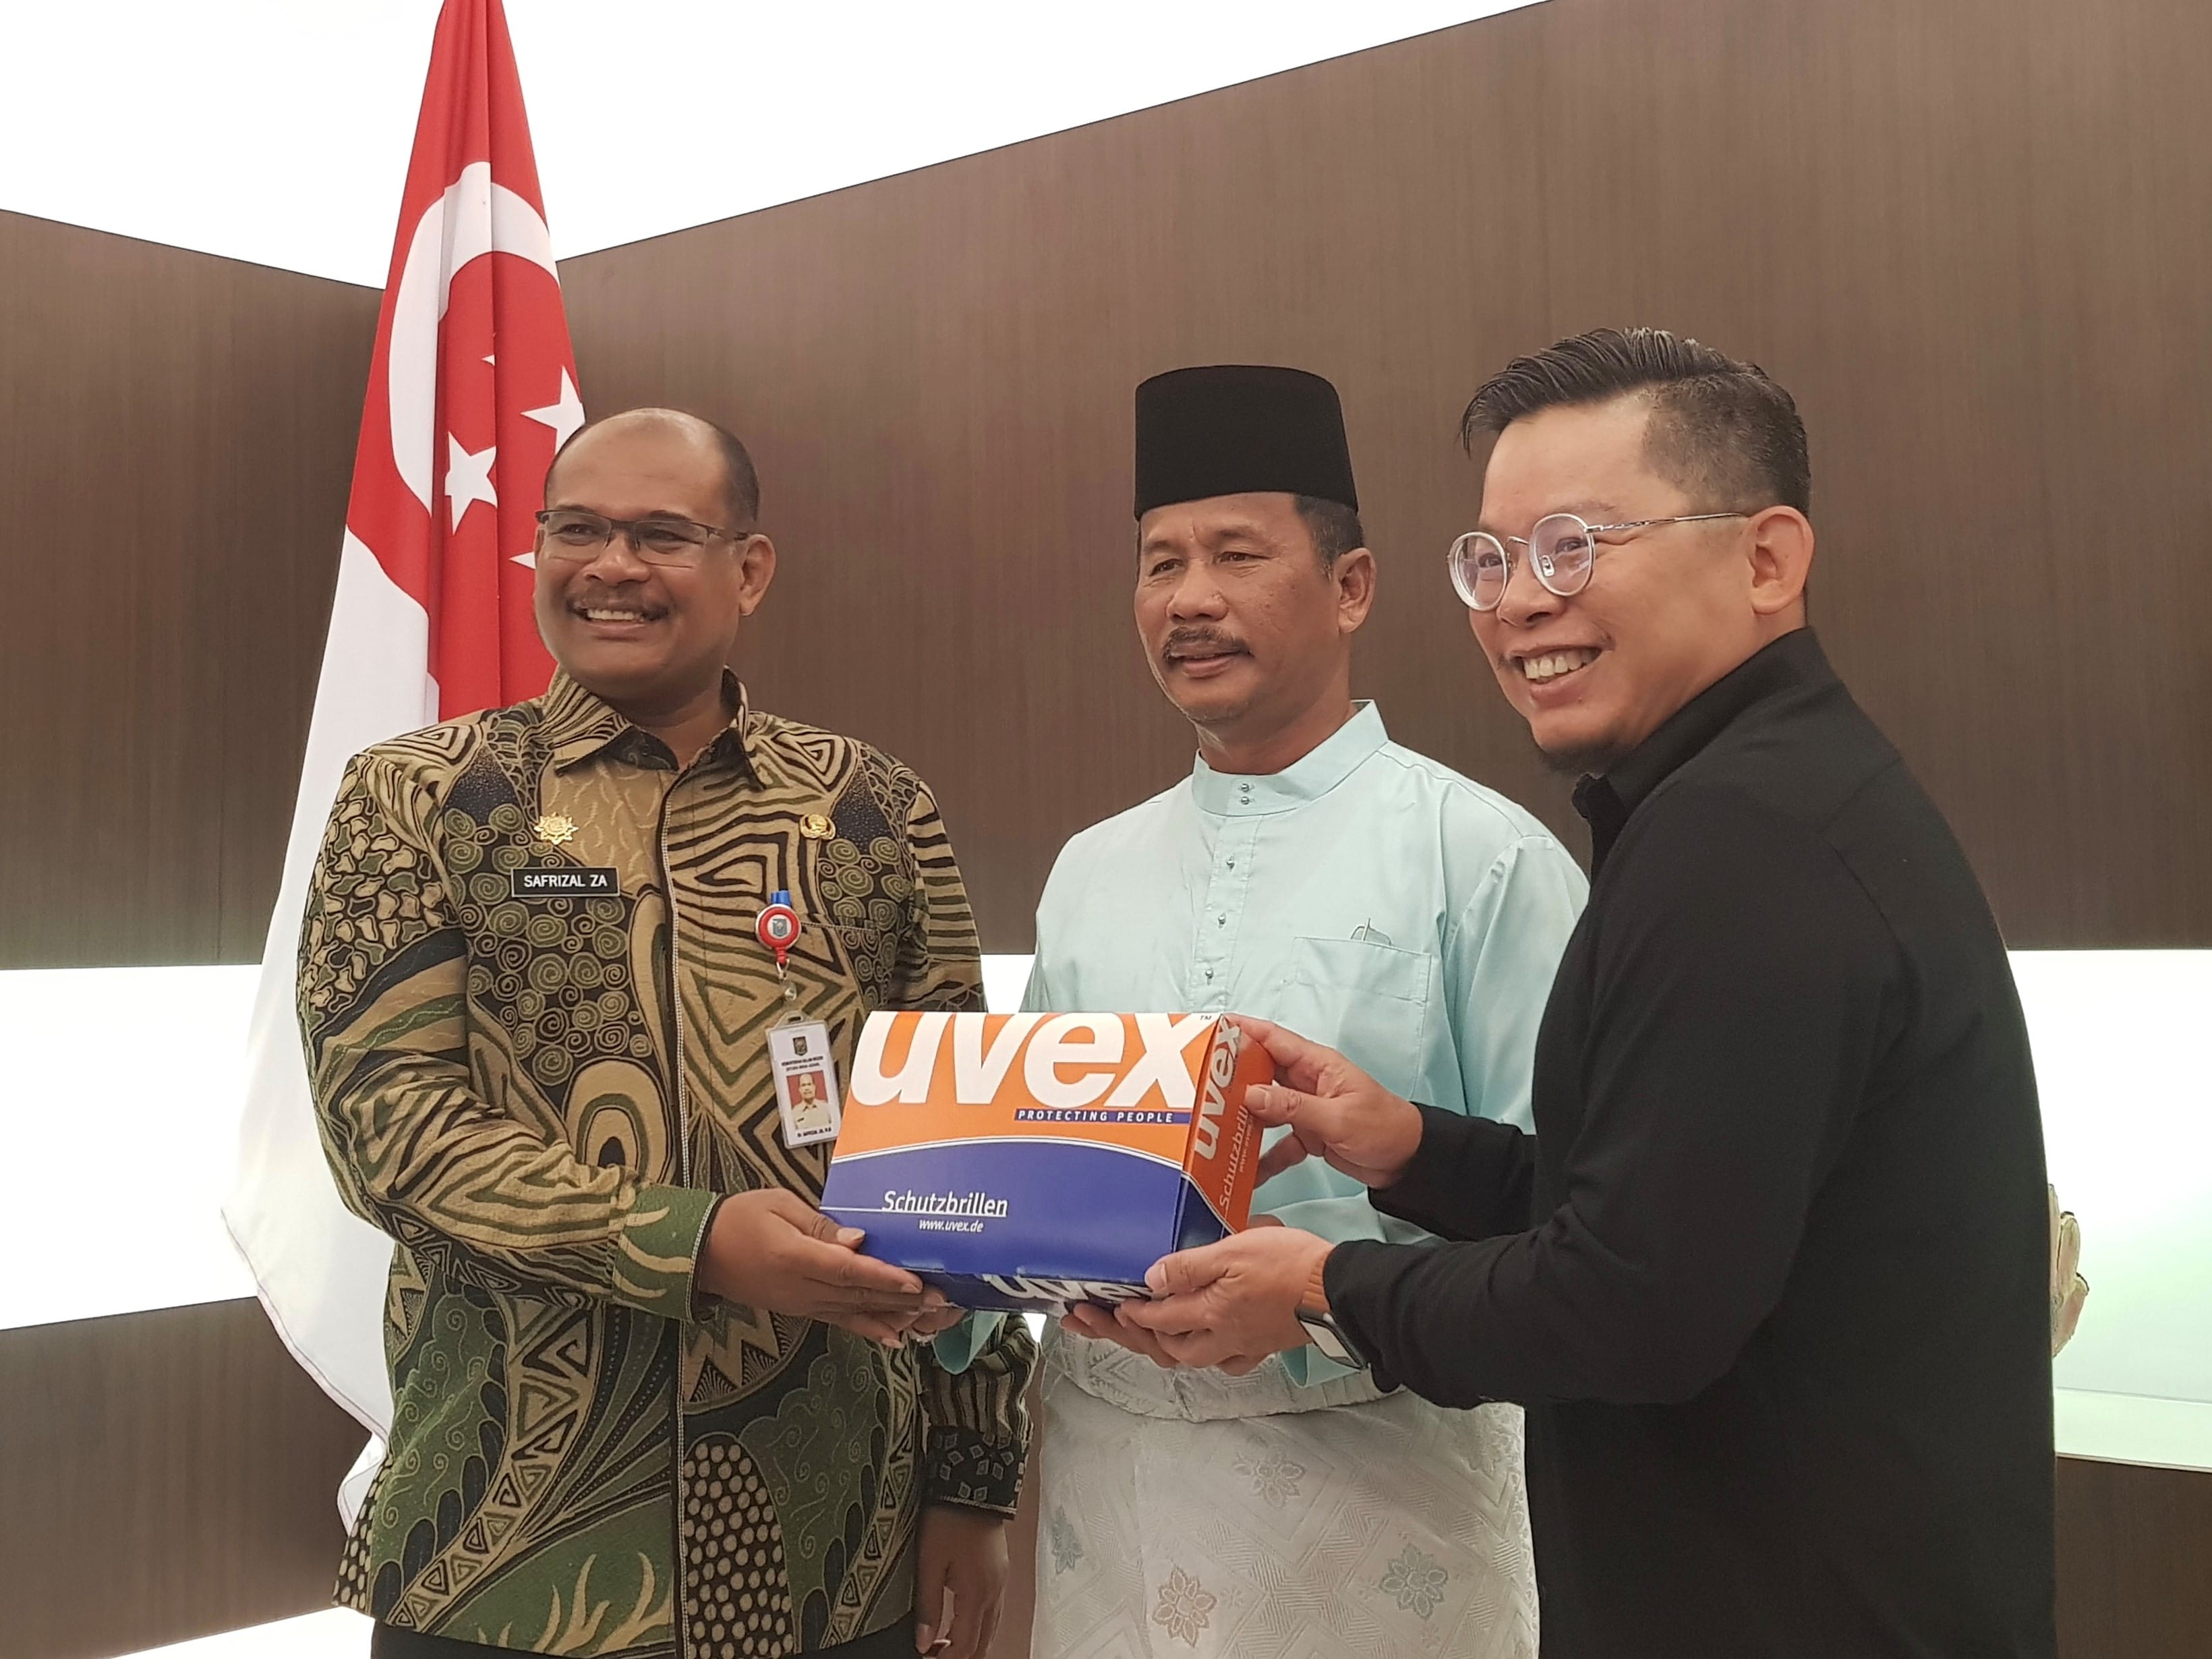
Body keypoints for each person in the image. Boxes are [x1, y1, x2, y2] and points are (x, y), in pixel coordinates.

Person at [1119, 330, 2058, 1656]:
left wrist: (1325, 1284)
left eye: (1575, 546)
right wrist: (1413, 1150)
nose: (1517, 601)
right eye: (1492, 561)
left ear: (1765, 557)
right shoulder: (1740, 803)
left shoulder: (1738, 844)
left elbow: (1627, 1306)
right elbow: (1665, 1209)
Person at [298, 408, 1035, 1659]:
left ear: (749, 568)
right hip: (508, 1559)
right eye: (576, 530)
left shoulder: (872, 812)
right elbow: (388, 1133)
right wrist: (691, 1246)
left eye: (660, 534)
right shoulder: (420, 796)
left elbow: (956, 1153)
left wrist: (973, 1472)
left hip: (830, 1546)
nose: (612, 567)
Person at [1013, 365, 1586, 1657]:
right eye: (1161, 564)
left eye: (1234, 555)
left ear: (1351, 589)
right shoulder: (1089, 867)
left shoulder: (1480, 857)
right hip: (1110, 1494)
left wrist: (1327, 1309)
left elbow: (1568, 1221)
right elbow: (1039, 1169)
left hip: (1383, 1498)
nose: (1190, 598)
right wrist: (949, 1269)